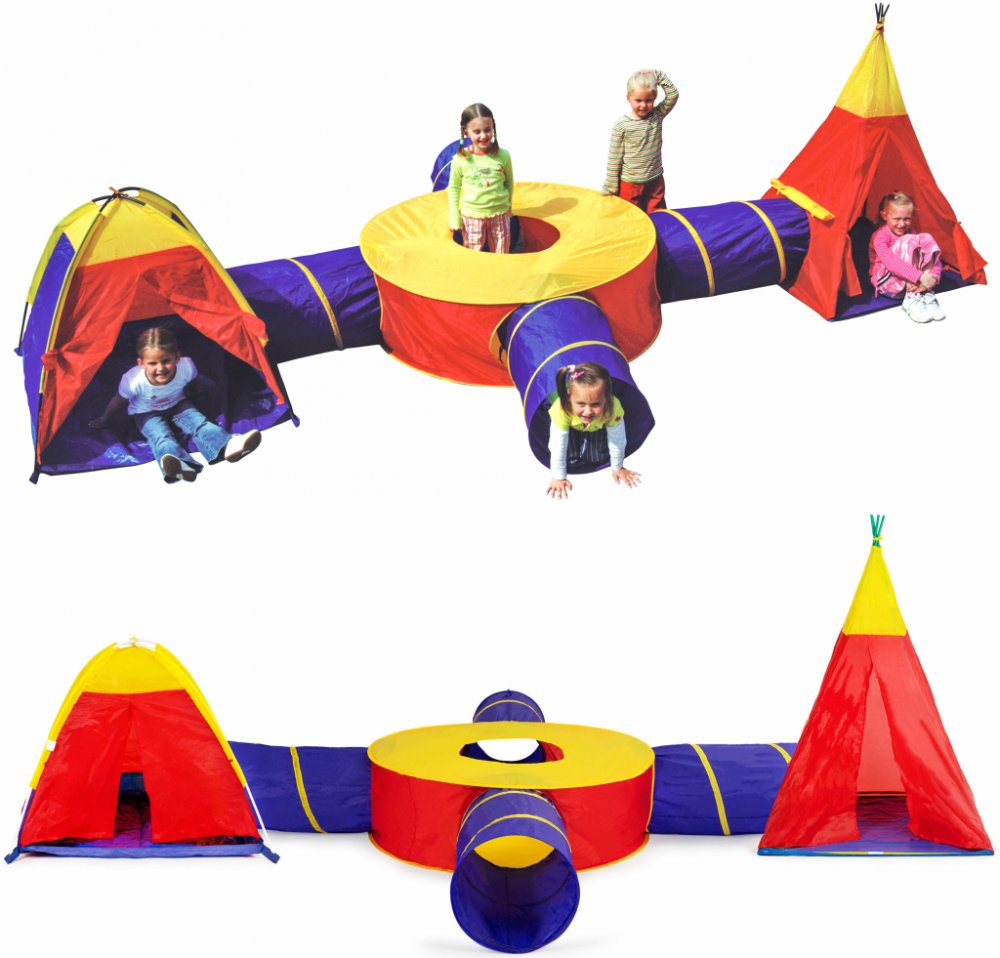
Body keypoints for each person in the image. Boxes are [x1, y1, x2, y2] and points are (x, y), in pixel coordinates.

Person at [89, 327, 261, 483]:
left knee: (199, 423)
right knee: (160, 436)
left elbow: (190, 382)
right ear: (141, 363)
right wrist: (105, 419)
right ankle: (179, 464)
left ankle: (226, 446)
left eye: (166, 361)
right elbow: (118, 401)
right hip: (146, 412)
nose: (160, 368)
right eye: (152, 363)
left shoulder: (186, 367)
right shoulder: (133, 381)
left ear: (177, 358)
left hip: (178, 403)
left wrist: (198, 389)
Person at [546, 362, 641, 499]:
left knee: (597, 457)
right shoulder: (561, 408)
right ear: (569, 396)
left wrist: (617, 467)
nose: (588, 411)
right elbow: (557, 445)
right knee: (568, 458)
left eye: (596, 404)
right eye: (581, 404)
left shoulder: (612, 409)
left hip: (596, 425)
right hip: (569, 422)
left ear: (606, 398)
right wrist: (558, 477)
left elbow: (617, 440)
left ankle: (586, 436)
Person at [603, 69, 679, 213]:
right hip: (630, 184)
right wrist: (611, 186)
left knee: (657, 216)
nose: (643, 105)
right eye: (638, 100)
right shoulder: (622, 125)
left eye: (648, 100)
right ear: (628, 98)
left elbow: (673, 94)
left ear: (654, 98)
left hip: (655, 180)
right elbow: (614, 157)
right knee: (630, 216)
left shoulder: (657, 115)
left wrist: (658, 75)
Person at [447, 103, 514, 253]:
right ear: (466, 132)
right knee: (473, 254)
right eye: (477, 131)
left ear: (493, 129)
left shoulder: (503, 156)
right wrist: (454, 216)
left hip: (500, 215)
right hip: (472, 217)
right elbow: (454, 188)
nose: (483, 136)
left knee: (502, 254)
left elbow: (509, 182)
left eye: (487, 130)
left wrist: (509, 206)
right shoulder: (460, 159)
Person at [870, 191, 946, 323]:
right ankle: (912, 297)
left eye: (907, 219)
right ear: (884, 216)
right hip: (886, 282)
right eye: (897, 219)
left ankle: (925, 290)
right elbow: (890, 262)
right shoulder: (880, 236)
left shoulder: (911, 232)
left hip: (911, 280)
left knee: (925, 239)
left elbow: (929, 255)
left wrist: (933, 277)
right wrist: (919, 276)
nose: (902, 224)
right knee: (909, 241)